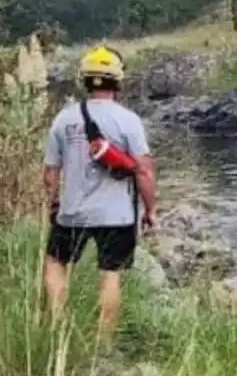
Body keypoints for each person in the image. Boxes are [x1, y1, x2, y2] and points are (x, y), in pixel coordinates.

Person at [43, 46, 157, 339]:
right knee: (110, 275)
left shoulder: (64, 119)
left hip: (72, 213)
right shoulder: (129, 120)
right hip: (117, 216)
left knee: (56, 262)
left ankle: (57, 326)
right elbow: (144, 171)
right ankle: (103, 343)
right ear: (117, 81)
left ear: (84, 79)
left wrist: (54, 201)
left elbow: (51, 172)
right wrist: (150, 210)